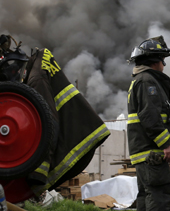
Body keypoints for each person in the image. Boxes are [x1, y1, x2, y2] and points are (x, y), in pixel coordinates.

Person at [0, 34, 110, 195]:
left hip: (72, 146)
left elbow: (47, 123)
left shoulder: (36, 82)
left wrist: (38, 172)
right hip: (81, 137)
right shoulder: (38, 69)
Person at [127, 36, 170, 211]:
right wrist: (165, 144)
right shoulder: (148, 81)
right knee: (159, 195)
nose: (164, 65)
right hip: (152, 152)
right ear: (155, 61)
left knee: (146, 197)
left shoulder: (139, 80)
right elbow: (150, 116)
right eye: (163, 60)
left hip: (144, 153)